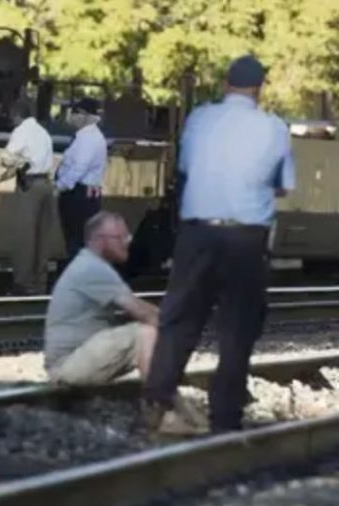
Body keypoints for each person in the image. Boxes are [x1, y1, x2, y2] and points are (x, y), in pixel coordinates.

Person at [142, 55, 295, 436]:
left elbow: (188, 167)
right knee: (238, 326)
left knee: (179, 318)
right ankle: (225, 418)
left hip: (197, 233)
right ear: (260, 89)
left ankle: (156, 400)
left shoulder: (199, 119)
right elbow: (283, 185)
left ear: (226, 83)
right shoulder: (274, 128)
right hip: (245, 238)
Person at [43, 212, 159, 385]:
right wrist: (176, 327)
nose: (127, 242)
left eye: (127, 236)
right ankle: (160, 405)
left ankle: (162, 395)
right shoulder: (92, 268)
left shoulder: (91, 264)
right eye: (120, 237)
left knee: (147, 332)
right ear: (99, 240)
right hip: (67, 365)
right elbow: (141, 312)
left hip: (76, 358)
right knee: (146, 334)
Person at [1, 99, 55, 295]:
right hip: (47, 185)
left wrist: (17, 162)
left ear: (16, 115)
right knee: (42, 237)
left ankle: (23, 284)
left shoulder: (21, 131)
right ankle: (40, 284)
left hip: (29, 185)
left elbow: (6, 157)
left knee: (25, 237)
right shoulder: (44, 132)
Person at [55, 97, 108, 262]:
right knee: (78, 241)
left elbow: (79, 167)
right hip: (82, 193)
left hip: (79, 194)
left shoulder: (89, 138)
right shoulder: (86, 136)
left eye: (76, 113)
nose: (73, 117)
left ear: (86, 116)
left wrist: (60, 186)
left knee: (77, 241)